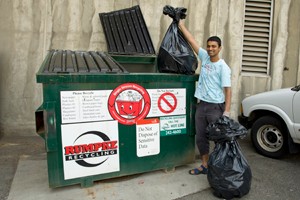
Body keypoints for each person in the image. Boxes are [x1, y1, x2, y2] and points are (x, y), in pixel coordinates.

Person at [178, 20, 232, 175]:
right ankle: (205, 165)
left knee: (219, 138)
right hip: (202, 106)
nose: (210, 49)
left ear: (219, 48)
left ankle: (221, 167)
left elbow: (228, 90)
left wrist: (226, 111)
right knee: (201, 137)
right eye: (209, 46)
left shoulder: (223, 67)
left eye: (214, 46)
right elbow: (191, 40)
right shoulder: (205, 57)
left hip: (216, 107)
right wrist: (180, 25)